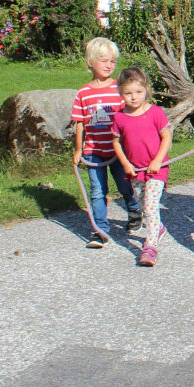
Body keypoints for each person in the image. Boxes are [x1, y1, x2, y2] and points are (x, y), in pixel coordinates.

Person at [70, 36, 141, 248]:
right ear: (90, 62)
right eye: (104, 61)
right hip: (93, 150)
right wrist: (78, 149)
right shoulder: (83, 93)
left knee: (124, 185)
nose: (109, 65)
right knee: (98, 191)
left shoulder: (119, 89)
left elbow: (129, 117)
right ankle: (100, 230)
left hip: (118, 151)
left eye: (113, 61)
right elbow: (80, 124)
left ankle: (134, 209)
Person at [113, 66, 173, 268]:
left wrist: (158, 160)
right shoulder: (119, 117)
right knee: (145, 206)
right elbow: (116, 142)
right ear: (120, 93)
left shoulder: (155, 112)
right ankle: (159, 228)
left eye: (138, 92)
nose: (134, 97)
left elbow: (166, 136)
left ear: (146, 89)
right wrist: (125, 163)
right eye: (128, 93)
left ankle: (150, 246)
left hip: (156, 169)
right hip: (135, 171)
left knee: (150, 205)